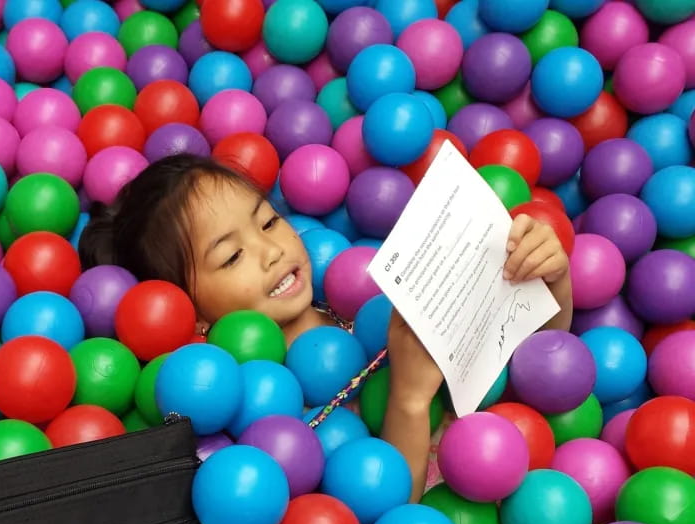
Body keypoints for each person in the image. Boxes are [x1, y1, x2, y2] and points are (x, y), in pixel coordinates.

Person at [80, 154, 573, 502]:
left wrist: (547, 280)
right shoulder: (253, 413)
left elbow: (540, 366)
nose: (271, 251)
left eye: (269, 222)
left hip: (531, 484)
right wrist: (408, 398)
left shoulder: (363, 311)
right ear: (193, 313)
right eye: (232, 256)